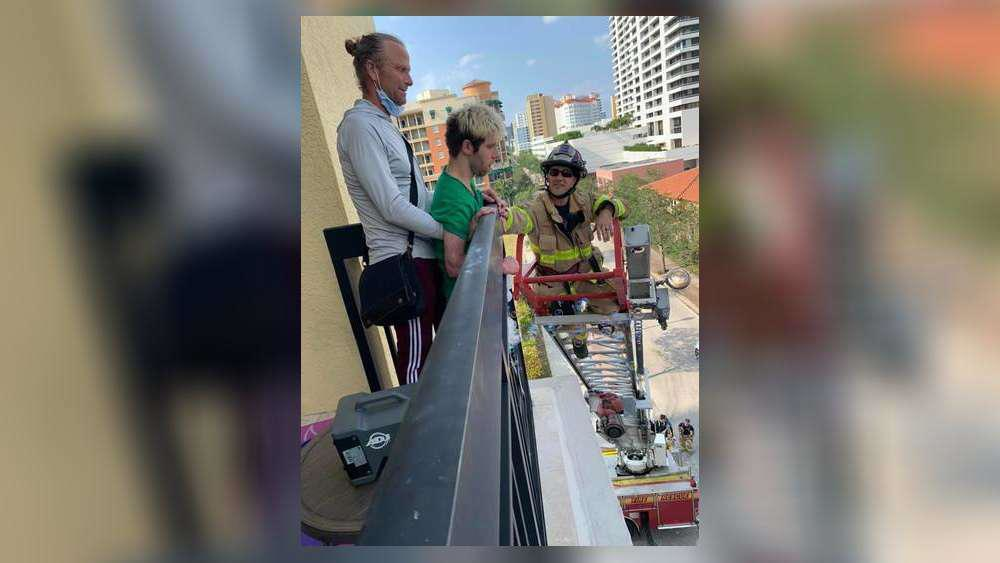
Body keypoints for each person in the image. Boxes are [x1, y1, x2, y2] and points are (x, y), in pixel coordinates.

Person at [337, 33, 501, 384]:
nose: (410, 80)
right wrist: (449, 230)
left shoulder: (386, 127)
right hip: (401, 263)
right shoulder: (359, 127)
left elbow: (420, 197)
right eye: (402, 70)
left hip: (421, 259)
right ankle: (420, 435)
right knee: (417, 370)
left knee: (441, 358)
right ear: (373, 71)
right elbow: (391, 206)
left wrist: (475, 202)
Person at [503, 142, 628, 358]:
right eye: (554, 172)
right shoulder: (535, 208)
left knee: (612, 307)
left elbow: (623, 205)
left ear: (576, 178)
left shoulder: (586, 201)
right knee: (566, 324)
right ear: (547, 176)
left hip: (586, 274)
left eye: (567, 173)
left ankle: (582, 328)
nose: (559, 177)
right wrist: (498, 217)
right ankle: (577, 334)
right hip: (553, 284)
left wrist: (607, 210)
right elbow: (516, 218)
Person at [429, 103, 507, 301]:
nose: (495, 155)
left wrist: (482, 198)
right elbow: (453, 266)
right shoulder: (453, 198)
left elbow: (466, 214)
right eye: (490, 147)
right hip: (465, 310)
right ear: (467, 147)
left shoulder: (464, 181)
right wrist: (498, 265)